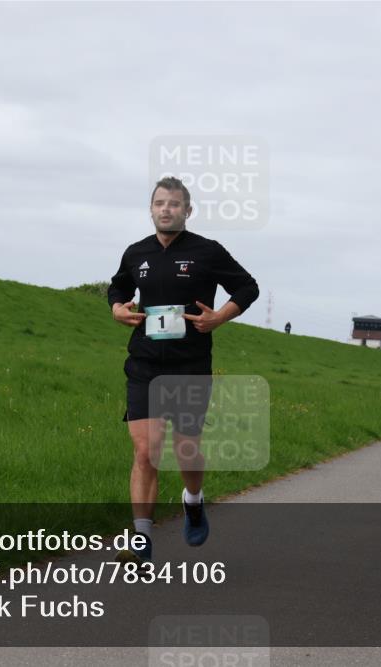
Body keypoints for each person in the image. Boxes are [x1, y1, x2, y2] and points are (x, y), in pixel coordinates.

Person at [107, 176, 259, 565]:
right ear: (151, 208)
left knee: (186, 449)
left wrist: (219, 318)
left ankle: (193, 501)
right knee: (146, 451)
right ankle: (141, 543)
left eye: (174, 204)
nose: (166, 209)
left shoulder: (207, 251)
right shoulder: (135, 253)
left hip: (190, 365)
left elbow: (247, 287)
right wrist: (117, 309)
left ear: (187, 211)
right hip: (144, 363)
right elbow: (118, 287)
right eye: (160, 203)